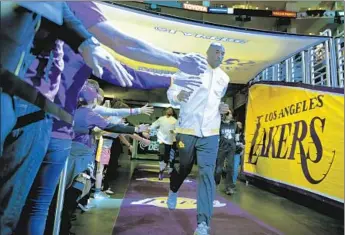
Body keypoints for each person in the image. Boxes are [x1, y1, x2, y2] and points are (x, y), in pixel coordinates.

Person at [166, 42, 230, 235]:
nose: (220, 56)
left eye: (223, 54)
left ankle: (203, 223)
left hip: (210, 132)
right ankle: (174, 187)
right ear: (208, 53)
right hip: (187, 128)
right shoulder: (190, 69)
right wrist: (178, 96)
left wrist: (222, 109)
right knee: (184, 167)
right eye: (217, 52)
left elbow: (218, 101)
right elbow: (172, 92)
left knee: (206, 174)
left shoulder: (224, 78)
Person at [149, 107, 178, 180]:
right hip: (161, 140)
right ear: (165, 111)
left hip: (170, 141)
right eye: (168, 109)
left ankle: (169, 171)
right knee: (161, 155)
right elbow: (154, 125)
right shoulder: (161, 119)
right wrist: (147, 129)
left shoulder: (174, 120)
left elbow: (177, 130)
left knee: (169, 158)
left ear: (172, 112)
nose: (169, 111)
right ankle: (161, 171)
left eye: (171, 110)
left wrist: (173, 132)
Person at [214, 109, 237, 195]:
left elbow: (236, 137)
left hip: (231, 148)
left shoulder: (234, 124)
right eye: (229, 113)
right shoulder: (220, 124)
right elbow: (217, 136)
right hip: (221, 148)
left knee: (230, 167)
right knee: (219, 167)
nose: (230, 115)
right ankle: (215, 183)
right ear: (225, 115)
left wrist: (238, 145)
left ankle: (229, 187)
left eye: (231, 113)